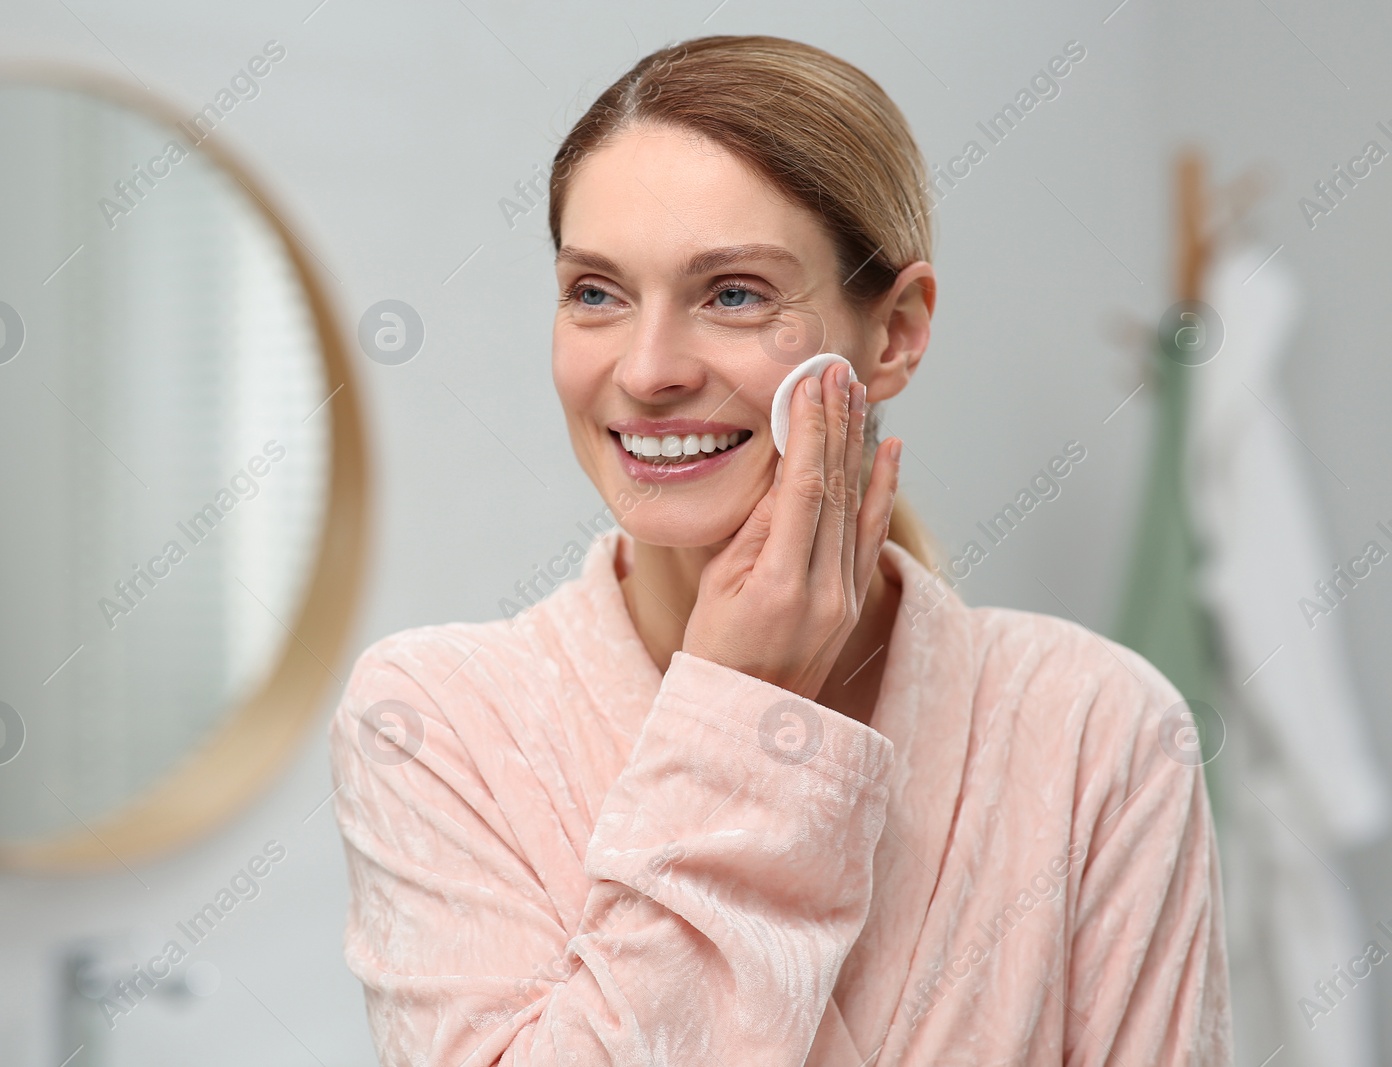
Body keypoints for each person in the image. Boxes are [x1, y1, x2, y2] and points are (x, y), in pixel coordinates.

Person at [328, 34, 1232, 1065]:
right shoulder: (434, 722)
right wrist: (738, 709)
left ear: (892, 331)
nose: (648, 367)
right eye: (595, 292)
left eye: (733, 293)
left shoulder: (1096, 728)